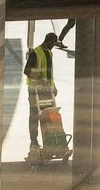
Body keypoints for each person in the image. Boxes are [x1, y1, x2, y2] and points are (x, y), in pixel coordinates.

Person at [24, 28, 72, 162]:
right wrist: (41, 81)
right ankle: (34, 141)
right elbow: (27, 71)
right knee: (35, 115)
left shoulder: (49, 53)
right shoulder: (36, 53)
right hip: (35, 90)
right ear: (48, 41)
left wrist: (53, 86)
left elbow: (49, 74)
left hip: (47, 91)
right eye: (52, 43)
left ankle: (51, 141)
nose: (53, 46)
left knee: (49, 116)